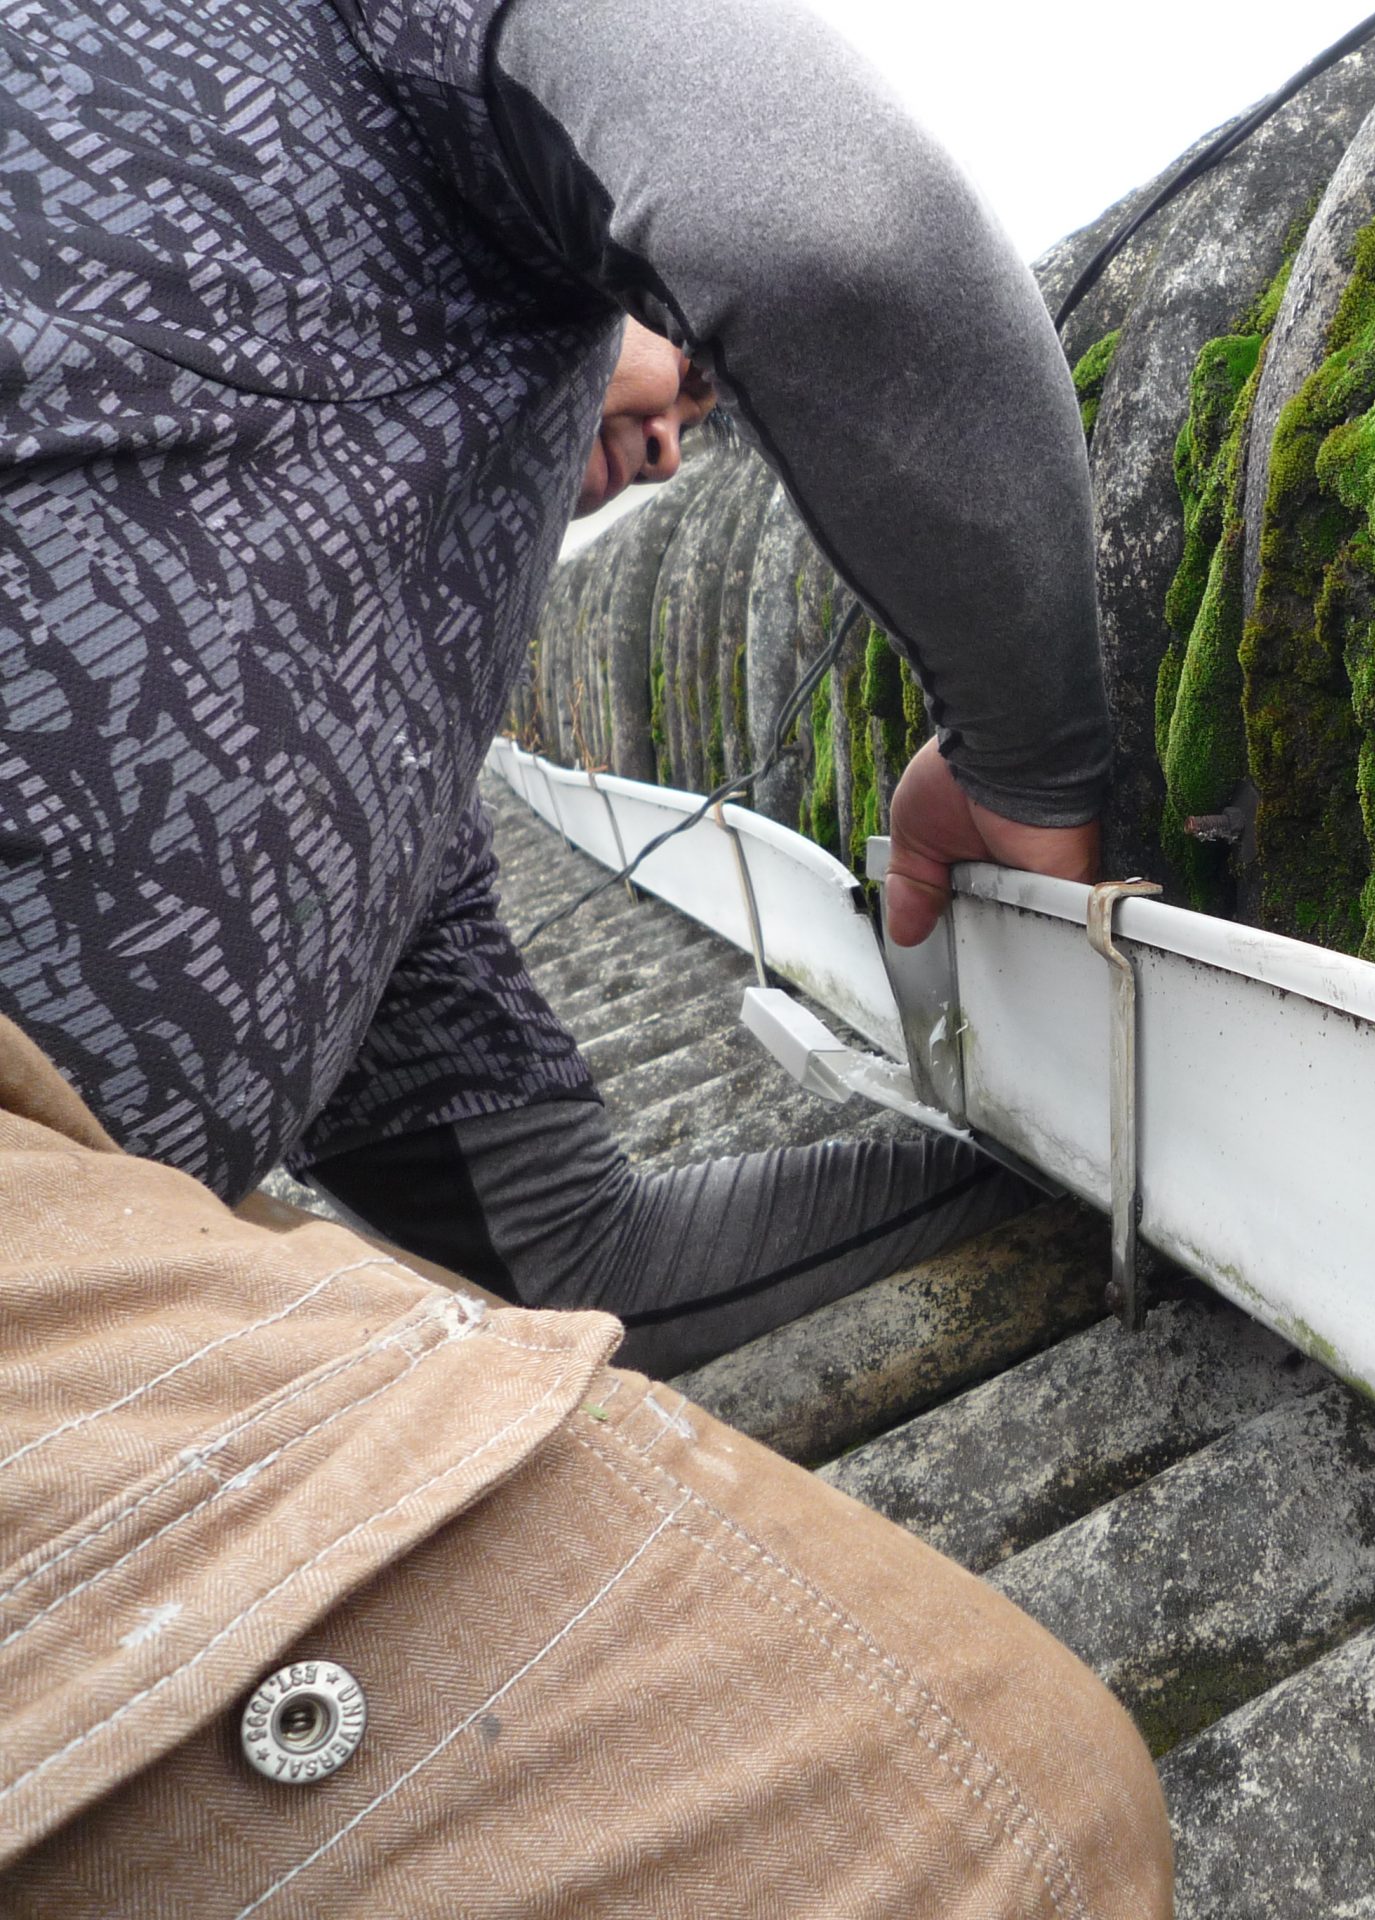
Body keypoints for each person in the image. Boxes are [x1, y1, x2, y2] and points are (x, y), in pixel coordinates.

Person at [0, 0, 1173, 1909]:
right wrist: (1040, 761)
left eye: (702, 425)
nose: (674, 435)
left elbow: (569, 1259)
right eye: (686, 380)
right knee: (1002, 1837)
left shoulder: (370, 803)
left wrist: (1014, 1173)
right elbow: (833, 225)